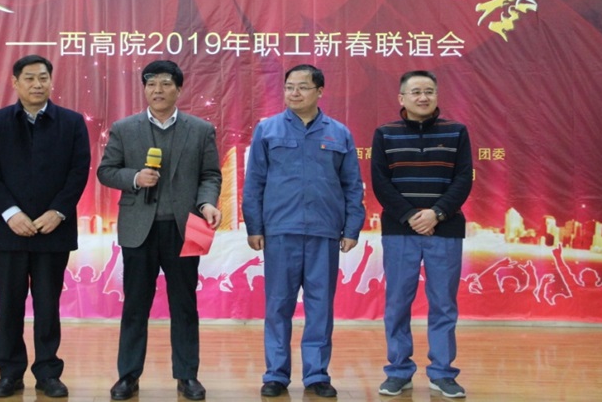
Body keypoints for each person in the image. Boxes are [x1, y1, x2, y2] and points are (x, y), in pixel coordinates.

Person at [97, 60, 222, 402]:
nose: (158, 90)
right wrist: (135, 178)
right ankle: (128, 376)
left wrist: (207, 203)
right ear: (144, 89)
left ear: (179, 89)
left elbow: (210, 175)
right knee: (135, 305)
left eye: (166, 84)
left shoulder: (200, 130)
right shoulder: (125, 128)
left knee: (185, 305)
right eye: (151, 84)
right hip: (139, 228)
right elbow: (106, 171)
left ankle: (187, 376)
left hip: (187, 227)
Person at [242, 64, 365, 399]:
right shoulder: (267, 130)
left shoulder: (339, 133)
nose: (294, 93)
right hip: (280, 231)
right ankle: (275, 374)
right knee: (278, 305)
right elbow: (254, 182)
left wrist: (352, 227)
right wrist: (254, 226)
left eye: (302, 87)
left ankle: (316, 374)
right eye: (289, 87)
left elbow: (352, 184)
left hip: (324, 231)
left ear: (319, 91)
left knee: (320, 306)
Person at [0, 55, 91, 399]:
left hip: (53, 230)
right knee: (9, 304)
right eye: (29, 78)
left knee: (47, 304)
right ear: (15, 82)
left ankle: (48, 372)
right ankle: (9, 373)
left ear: (51, 81)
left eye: (43, 77)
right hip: (8, 231)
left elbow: (79, 171)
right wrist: (11, 213)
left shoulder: (71, 122)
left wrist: (58, 211)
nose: (37, 84)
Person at [371, 70, 473, 399]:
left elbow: (463, 178)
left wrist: (436, 213)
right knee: (397, 303)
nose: (423, 97)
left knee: (443, 304)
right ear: (402, 98)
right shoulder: (385, 134)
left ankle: (442, 373)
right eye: (415, 91)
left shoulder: (457, 132)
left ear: (437, 96)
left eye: (429, 91)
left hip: (445, 229)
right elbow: (380, 182)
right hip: (400, 230)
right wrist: (410, 216)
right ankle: (398, 371)